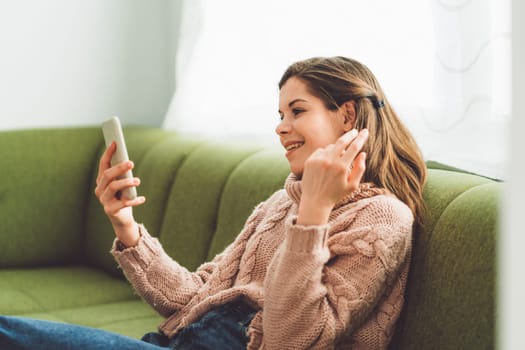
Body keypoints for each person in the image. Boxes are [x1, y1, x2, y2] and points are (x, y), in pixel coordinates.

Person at [0, 56, 426, 349]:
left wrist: (314, 213)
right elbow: (197, 299)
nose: (282, 127)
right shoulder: (280, 203)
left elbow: (292, 340)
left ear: (347, 116)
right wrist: (126, 226)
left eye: (297, 111)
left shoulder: (383, 218)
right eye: (279, 115)